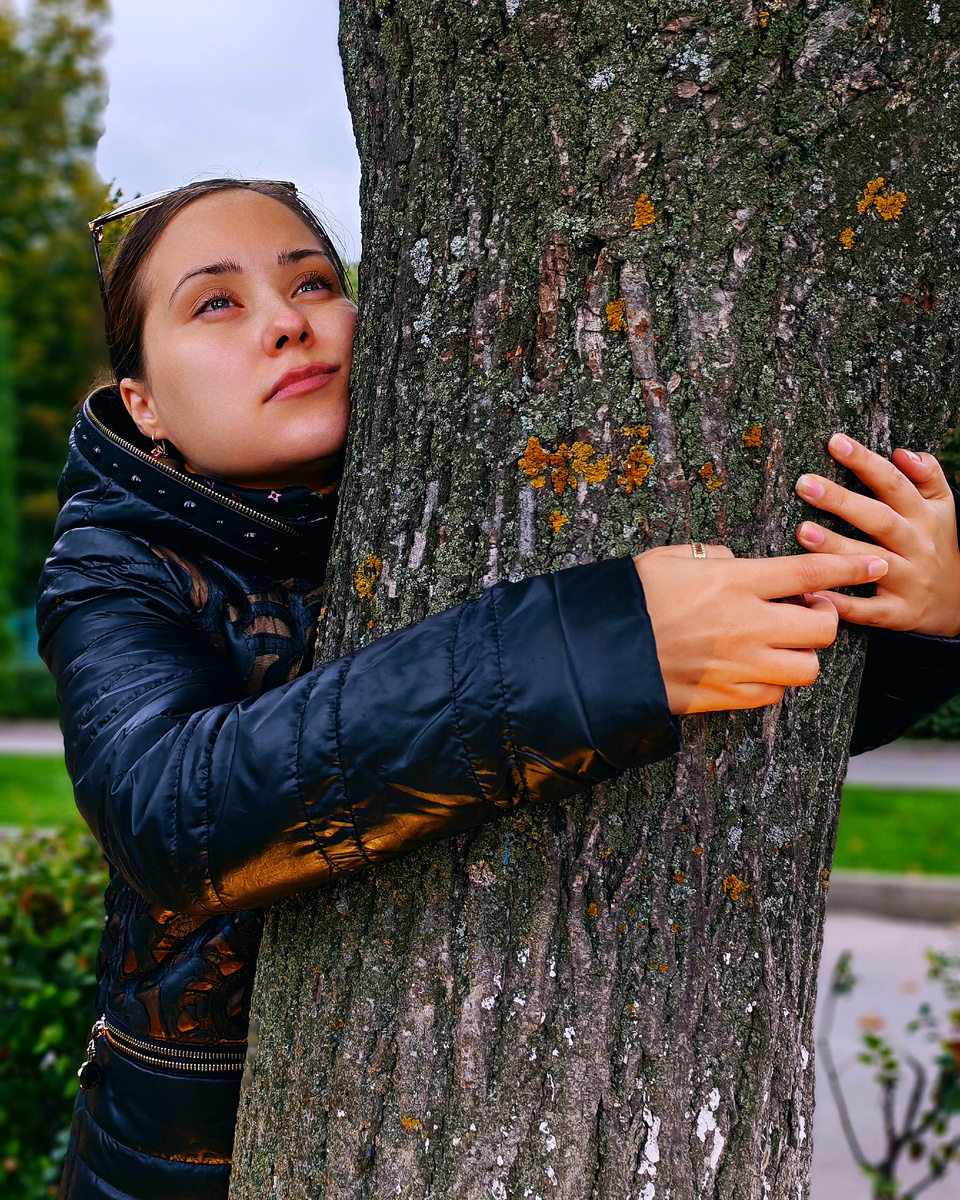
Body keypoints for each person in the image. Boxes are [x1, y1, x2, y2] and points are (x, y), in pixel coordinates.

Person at [36, 178, 958, 1199]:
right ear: (144, 403)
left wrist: (931, 621)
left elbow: (756, 726)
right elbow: (169, 810)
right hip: (179, 1163)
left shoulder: (447, 500)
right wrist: (602, 645)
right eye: (217, 302)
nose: (288, 322)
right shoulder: (113, 562)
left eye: (313, 281)